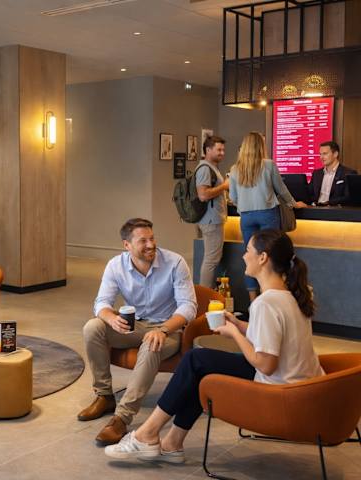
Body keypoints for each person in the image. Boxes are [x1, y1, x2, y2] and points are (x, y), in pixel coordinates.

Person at [105, 229, 324, 463]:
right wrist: (239, 325)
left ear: (263, 258)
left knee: (195, 360)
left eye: (248, 250)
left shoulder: (265, 303)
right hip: (300, 385)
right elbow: (275, 337)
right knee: (200, 364)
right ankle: (171, 444)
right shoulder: (292, 295)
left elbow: (266, 364)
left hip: (280, 392)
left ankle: (146, 435)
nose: (244, 256)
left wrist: (234, 334)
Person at [79, 218, 197, 446]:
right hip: (135, 325)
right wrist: (111, 318)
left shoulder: (175, 262)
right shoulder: (116, 265)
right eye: (143, 241)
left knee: (152, 343)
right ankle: (104, 396)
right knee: (93, 327)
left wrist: (163, 330)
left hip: (168, 328)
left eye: (152, 238)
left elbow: (188, 307)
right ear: (127, 245)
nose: (151, 244)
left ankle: (122, 417)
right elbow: (101, 303)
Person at [228, 132, 308, 301]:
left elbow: (233, 198)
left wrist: (245, 205)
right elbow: (282, 190)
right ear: (260, 146)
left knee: (251, 258)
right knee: (272, 256)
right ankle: (270, 297)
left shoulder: (235, 169)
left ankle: (253, 301)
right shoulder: (269, 165)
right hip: (268, 214)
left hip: (246, 218)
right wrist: (294, 204)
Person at [195, 135, 229, 289]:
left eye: (223, 150)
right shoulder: (205, 169)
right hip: (211, 220)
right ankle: (204, 294)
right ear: (208, 150)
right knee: (211, 260)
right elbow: (203, 195)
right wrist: (224, 186)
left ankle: (207, 292)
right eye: (219, 150)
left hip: (213, 219)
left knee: (212, 259)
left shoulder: (212, 167)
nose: (222, 153)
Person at [309, 141, 357, 206]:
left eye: (325, 154)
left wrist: (326, 203)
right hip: (314, 209)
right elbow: (309, 194)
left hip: (335, 210)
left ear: (335, 154)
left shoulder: (348, 173)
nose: (321, 157)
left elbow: (348, 197)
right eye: (320, 154)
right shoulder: (316, 174)